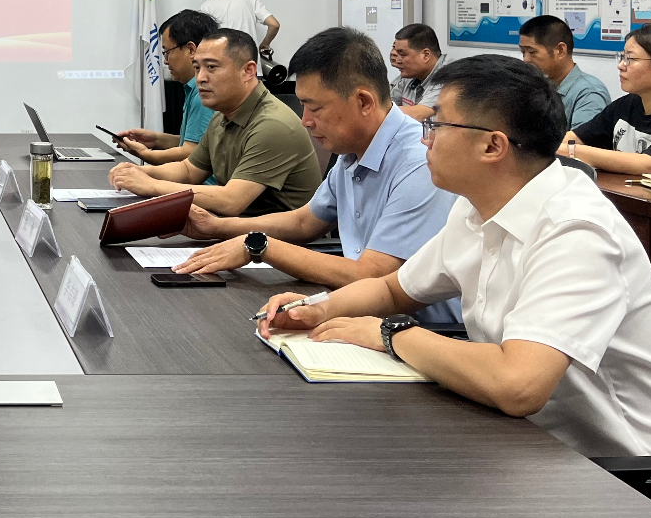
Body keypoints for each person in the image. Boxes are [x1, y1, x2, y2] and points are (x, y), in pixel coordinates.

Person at [259, 54, 651, 458]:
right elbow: (393, 290)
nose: (425, 139)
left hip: (619, 476)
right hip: (515, 442)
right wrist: (318, 308)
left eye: (436, 125)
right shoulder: (475, 206)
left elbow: (518, 385)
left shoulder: (577, 231)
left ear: (492, 146)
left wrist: (390, 334)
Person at [172, 28, 459, 324]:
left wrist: (259, 246)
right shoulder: (353, 150)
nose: (305, 121)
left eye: (315, 108)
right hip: (363, 315)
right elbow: (304, 221)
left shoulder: (419, 162)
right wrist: (216, 226)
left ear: (364, 102)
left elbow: (373, 274)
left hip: (425, 331)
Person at [107, 28, 319, 217]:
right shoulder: (221, 116)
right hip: (237, 230)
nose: (200, 77)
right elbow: (189, 171)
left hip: (277, 241)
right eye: (197, 68)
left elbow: (231, 201)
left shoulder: (272, 124)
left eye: (211, 67)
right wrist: (138, 173)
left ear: (248, 71)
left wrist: (151, 185)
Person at [559, 24, 651, 176]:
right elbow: (577, 137)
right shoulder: (626, 105)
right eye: (622, 57)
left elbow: (650, 164)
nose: (620, 66)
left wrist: (572, 151)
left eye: (630, 59)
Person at [117, 9, 218, 165]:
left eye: (166, 52)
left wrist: (144, 154)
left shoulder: (204, 92)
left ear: (191, 50)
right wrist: (156, 140)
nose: (165, 61)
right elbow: (195, 144)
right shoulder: (194, 88)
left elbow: (192, 153)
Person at [199, 0, 279, 53]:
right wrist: (265, 44)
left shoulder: (206, 6)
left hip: (222, 57)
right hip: (249, 56)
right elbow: (274, 25)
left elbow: (203, 36)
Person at [389, 23, 445, 121]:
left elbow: (418, 114)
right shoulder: (410, 75)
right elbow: (388, 104)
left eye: (402, 54)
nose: (397, 60)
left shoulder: (449, 77)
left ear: (426, 55)